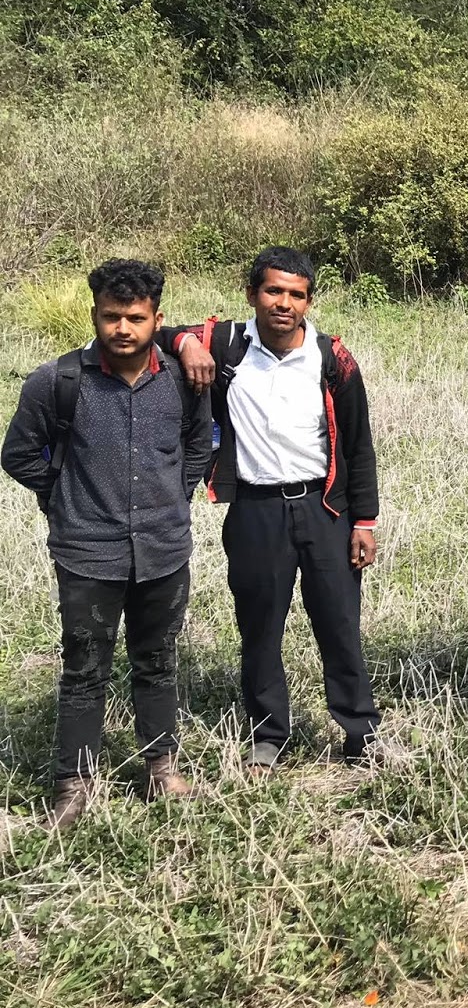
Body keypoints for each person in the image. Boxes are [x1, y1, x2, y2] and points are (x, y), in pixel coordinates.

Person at [3, 260, 211, 828]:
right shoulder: (58, 381)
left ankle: (161, 768)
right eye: (111, 317)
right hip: (87, 553)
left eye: (136, 318)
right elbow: (17, 454)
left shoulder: (183, 380)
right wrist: (64, 496)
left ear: (157, 320)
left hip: (164, 550)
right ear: (94, 315)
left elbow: (199, 446)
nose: (123, 328)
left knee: (158, 662)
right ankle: (73, 785)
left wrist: (175, 495)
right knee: (84, 669)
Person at [162, 247, 381, 774]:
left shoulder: (332, 358)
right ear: (252, 294)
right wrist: (186, 343)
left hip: (325, 509)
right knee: (259, 628)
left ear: (309, 301)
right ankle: (269, 737)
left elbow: (358, 445)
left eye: (296, 295)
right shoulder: (226, 344)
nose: (284, 303)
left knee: (340, 625)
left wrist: (365, 521)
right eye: (273, 291)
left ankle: (360, 732)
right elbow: (158, 331)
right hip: (255, 510)